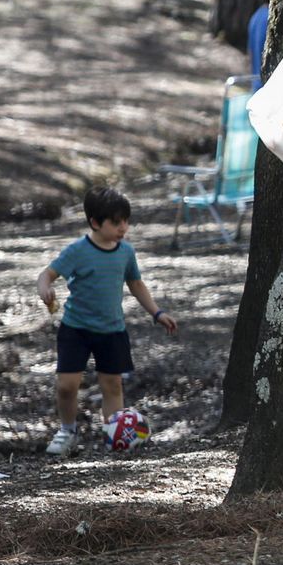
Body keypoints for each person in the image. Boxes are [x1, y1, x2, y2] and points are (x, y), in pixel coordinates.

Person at [36, 187, 178, 456]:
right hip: (75, 329)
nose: (123, 227)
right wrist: (44, 289)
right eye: (116, 222)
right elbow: (47, 274)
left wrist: (157, 313)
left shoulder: (126, 252)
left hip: (112, 330)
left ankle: (115, 434)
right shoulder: (77, 250)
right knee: (67, 385)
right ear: (95, 223)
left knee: (112, 385)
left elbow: (135, 283)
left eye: (126, 220)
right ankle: (67, 430)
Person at [246, 0, 280, 90]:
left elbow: (250, 56)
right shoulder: (272, 19)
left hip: (256, 91)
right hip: (269, 94)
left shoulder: (256, 16)